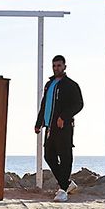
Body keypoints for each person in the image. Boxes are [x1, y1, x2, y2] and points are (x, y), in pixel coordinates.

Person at [35, 54, 84, 201]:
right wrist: (39, 122)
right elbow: (44, 104)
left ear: (64, 67)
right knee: (48, 156)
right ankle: (67, 184)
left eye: (59, 66)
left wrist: (64, 116)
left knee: (65, 156)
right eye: (54, 66)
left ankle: (63, 190)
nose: (57, 68)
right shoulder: (49, 84)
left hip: (64, 126)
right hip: (50, 127)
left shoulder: (70, 85)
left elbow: (78, 104)